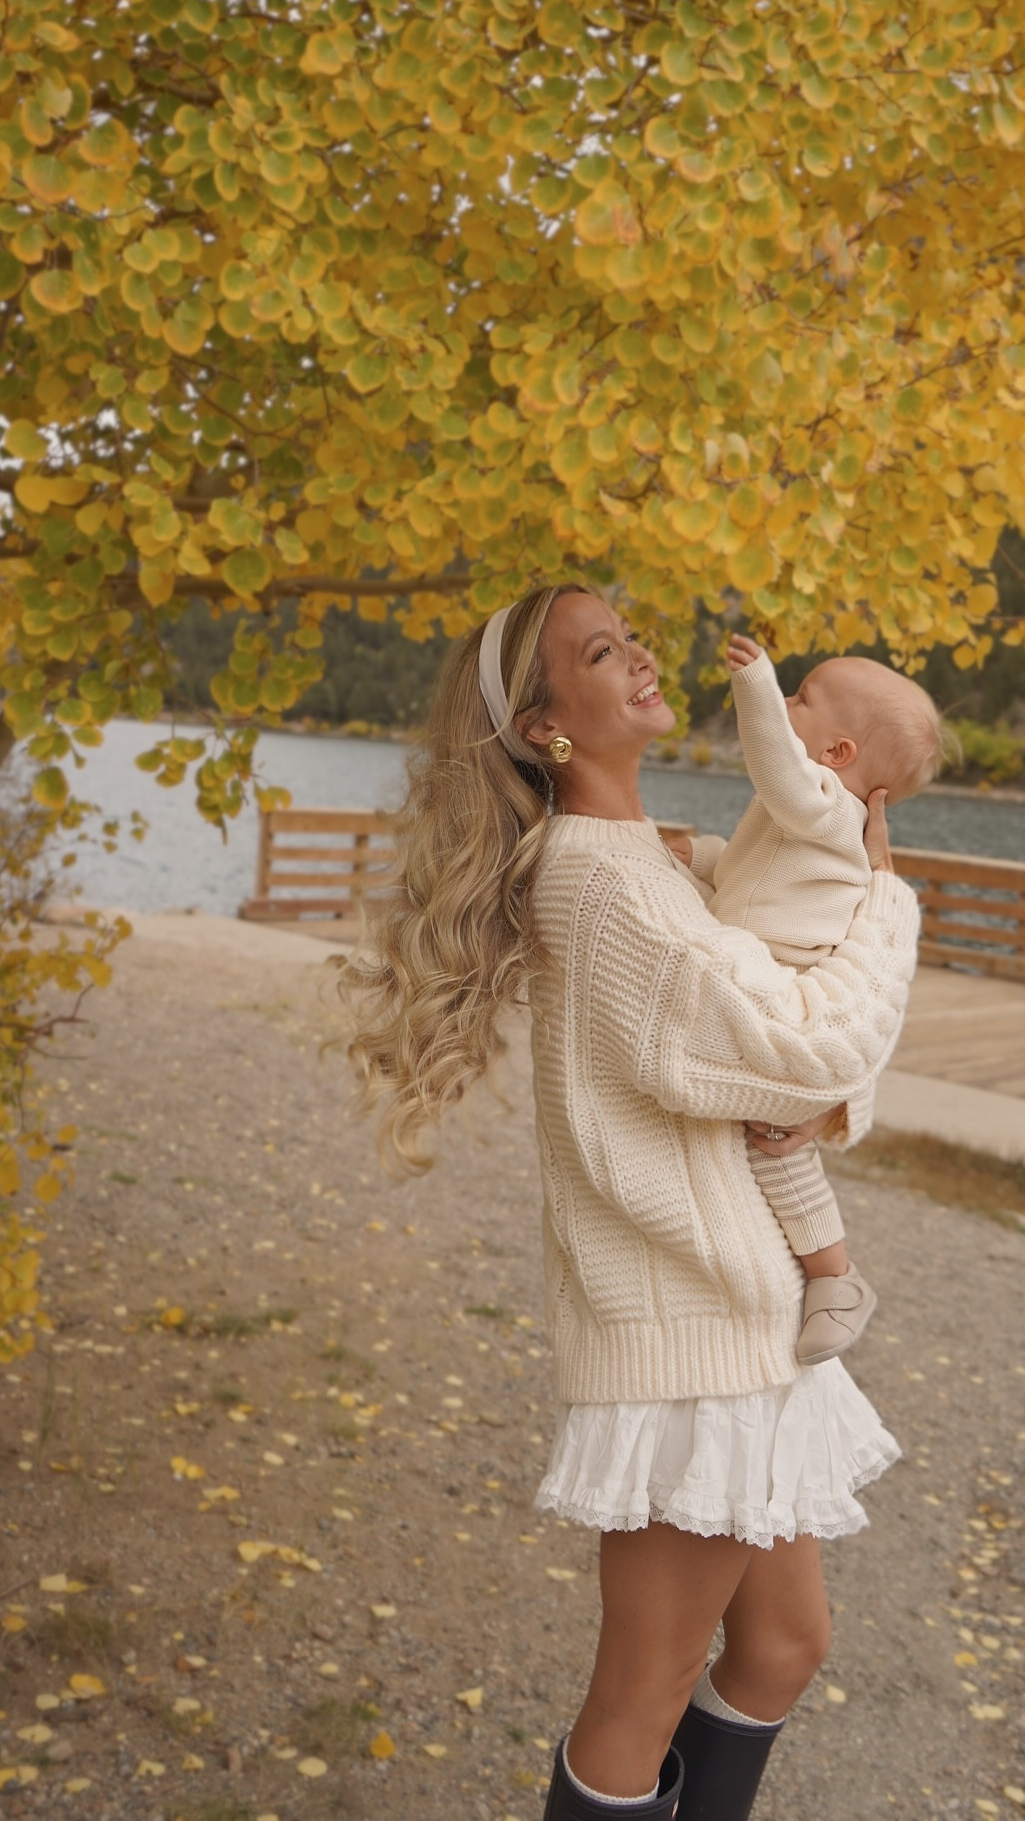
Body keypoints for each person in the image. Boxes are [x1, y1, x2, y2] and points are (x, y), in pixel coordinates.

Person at [338, 586, 920, 1821]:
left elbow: (781, 1057)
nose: (641, 656)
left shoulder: (647, 863)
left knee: (783, 1647)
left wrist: (817, 1100)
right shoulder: (606, 888)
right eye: (601, 652)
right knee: (640, 1695)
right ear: (547, 728)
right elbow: (807, 1046)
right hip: (686, 1338)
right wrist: (889, 900)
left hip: (742, 1322)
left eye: (629, 635)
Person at [668, 633, 954, 1366]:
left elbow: (773, 761)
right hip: (766, 985)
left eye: (802, 699)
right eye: (789, 692)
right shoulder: (808, 820)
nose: (788, 701)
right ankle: (828, 1275)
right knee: (773, 1149)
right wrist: (701, 856)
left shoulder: (822, 804)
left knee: (776, 1146)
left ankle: (836, 1276)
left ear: (836, 754)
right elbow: (752, 874)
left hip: (790, 995)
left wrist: (757, 683)